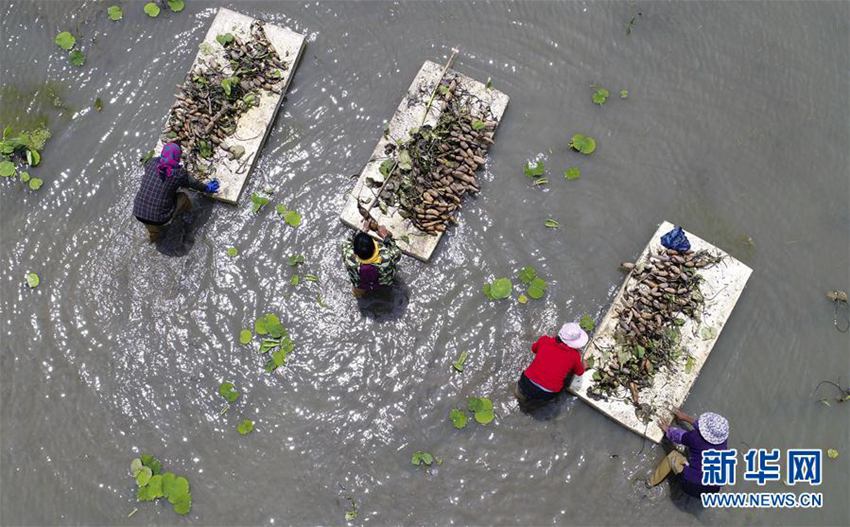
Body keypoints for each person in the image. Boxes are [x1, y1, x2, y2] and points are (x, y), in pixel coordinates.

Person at [133, 142, 219, 242]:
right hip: (160, 218)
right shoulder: (179, 174)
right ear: (177, 157)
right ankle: (188, 216)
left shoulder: (151, 163)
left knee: (152, 214)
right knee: (183, 196)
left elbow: (152, 165)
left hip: (138, 212)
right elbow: (194, 184)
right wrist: (207, 188)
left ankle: (154, 235)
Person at [650, 408, 729, 498]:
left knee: (673, 456)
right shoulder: (723, 441)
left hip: (690, 485)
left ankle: (650, 483)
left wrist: (667, 429)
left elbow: (677, 436)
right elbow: (705, 431)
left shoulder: (695, 438)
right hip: (713, 490)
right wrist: (686, 418)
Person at [515, 322, 589, 410]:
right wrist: (584, 365)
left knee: (521, 396)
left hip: (526, 382)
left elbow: (534, 349)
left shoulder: (544, 340)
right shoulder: (575, 355)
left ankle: (521, 400)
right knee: (539, 404)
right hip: (547, 392)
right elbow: (579, 372)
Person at [342, 222, 402, 297]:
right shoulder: (386, 257)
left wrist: (362, 232)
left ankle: (359, 296)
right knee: (386, 292)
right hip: (383, 282)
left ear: (355, 252)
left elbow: (348, 241)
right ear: (374, 249)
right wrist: (386, 237)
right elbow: (398, 253)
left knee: (358, 293)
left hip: (360, 285)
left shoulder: (348, 256)